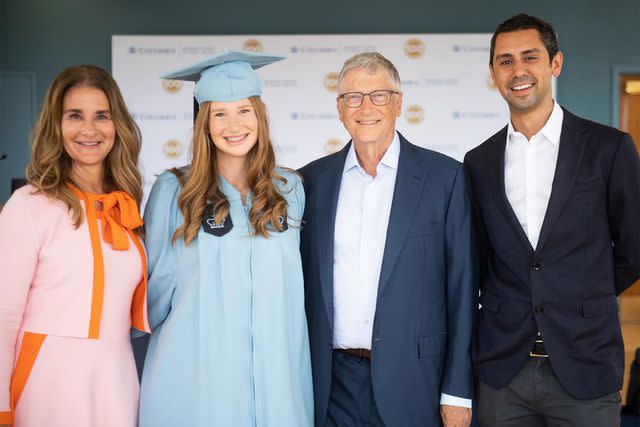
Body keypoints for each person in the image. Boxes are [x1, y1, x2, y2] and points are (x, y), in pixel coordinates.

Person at [464, 13, 640, 426]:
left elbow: (634, 249)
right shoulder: (478, 162)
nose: (518, 70)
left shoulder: (608, 148)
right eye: (505, 61)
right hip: (502, 373)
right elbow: (479, 261)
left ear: (555, 63)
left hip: (585, 366)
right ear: (492, 73)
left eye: (530, 57)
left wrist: (582, 293)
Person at [299, 52, 476, 427]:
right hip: (329, 384)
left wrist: (457, 391)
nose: (366, 107)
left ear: (398, 103)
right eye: (353, 97)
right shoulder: (310, 183)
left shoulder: (445, 179)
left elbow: (462, 293)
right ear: (339, 107)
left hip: (414, 383)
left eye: (379, 95)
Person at [139, 51, 313, 427]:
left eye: (244, 111)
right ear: (204, 122)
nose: (233, 125)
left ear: (260, 115)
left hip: (278, 384)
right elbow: (152, 297)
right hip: (198, 381)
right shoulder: (175, 192)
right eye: (220, 113)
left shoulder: (289, 189)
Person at [0, 65, 150, 427]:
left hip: (116, 378)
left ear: (118, 126)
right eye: (75, 116)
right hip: (46, 380)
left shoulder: (125, 206)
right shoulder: (29, 205)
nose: (89, 129)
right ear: (57, 125)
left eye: (102, 116)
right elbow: (2, 319)